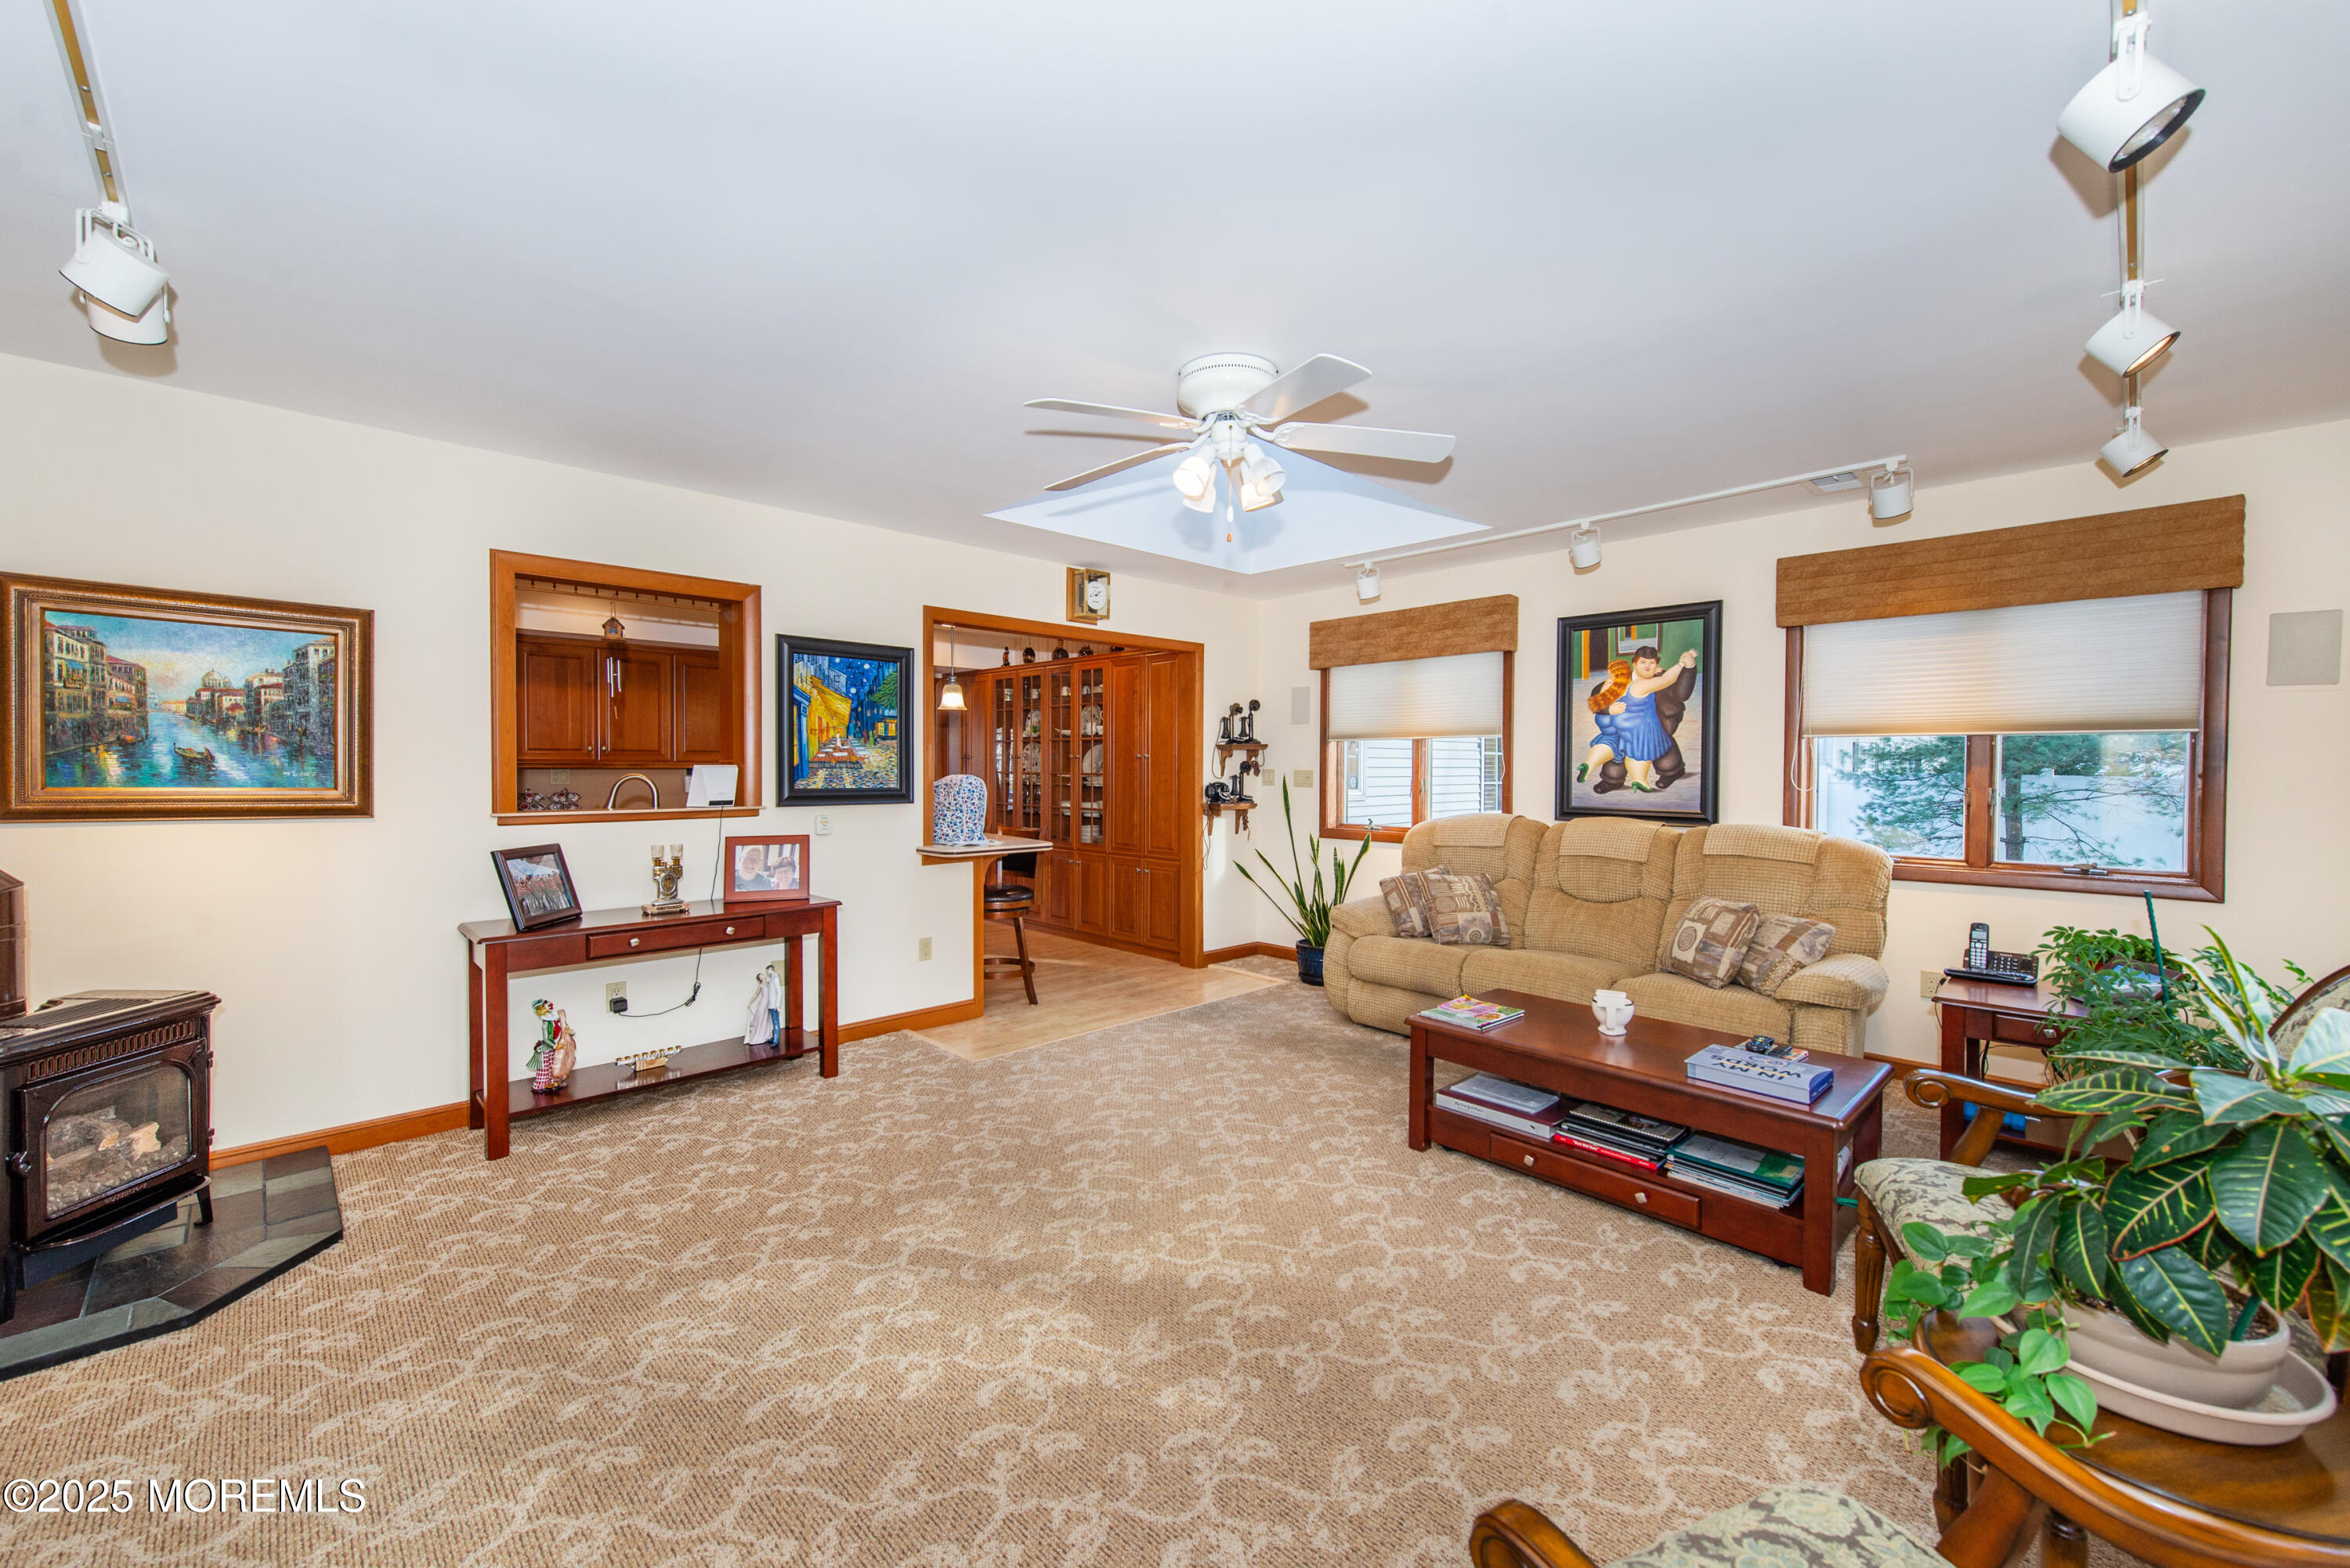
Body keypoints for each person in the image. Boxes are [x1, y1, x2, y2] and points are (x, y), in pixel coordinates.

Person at [1592, 643, 1699, 794]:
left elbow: (1681, 694)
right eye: (1643, 662)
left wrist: (1689, 667)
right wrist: (1609, 709)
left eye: (1652, 663)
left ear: (1657, 664)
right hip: (1624, 727)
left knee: (1662, 745)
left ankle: (1672, 771)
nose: (1648, 667)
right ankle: (1612, 780)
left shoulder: (1662, 677)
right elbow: (1597, 698)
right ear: (1634, 663)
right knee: (1618, 747)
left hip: (1657, 723)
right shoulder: (1620, 679)